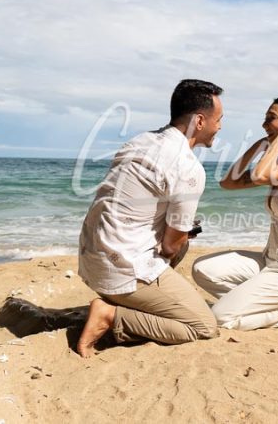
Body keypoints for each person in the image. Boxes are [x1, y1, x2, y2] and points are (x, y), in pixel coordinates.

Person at [76, 79, 223, 357]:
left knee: (180, 241)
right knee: (202, 326)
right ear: (200, 121)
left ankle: (135, 300)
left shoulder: (139, 141)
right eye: (219, 119)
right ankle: (110, 315)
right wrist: (181, 234)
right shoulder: (187, 166)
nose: (221, 126)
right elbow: (170, 247)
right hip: (122, 267)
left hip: (91, 258)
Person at [192, 95, 278, 331]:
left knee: (220, 318)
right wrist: (260, 146)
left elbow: (259, 175)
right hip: (269, 262)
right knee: (201, 270)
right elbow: (229, 182)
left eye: (271, 118)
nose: (264, 124)